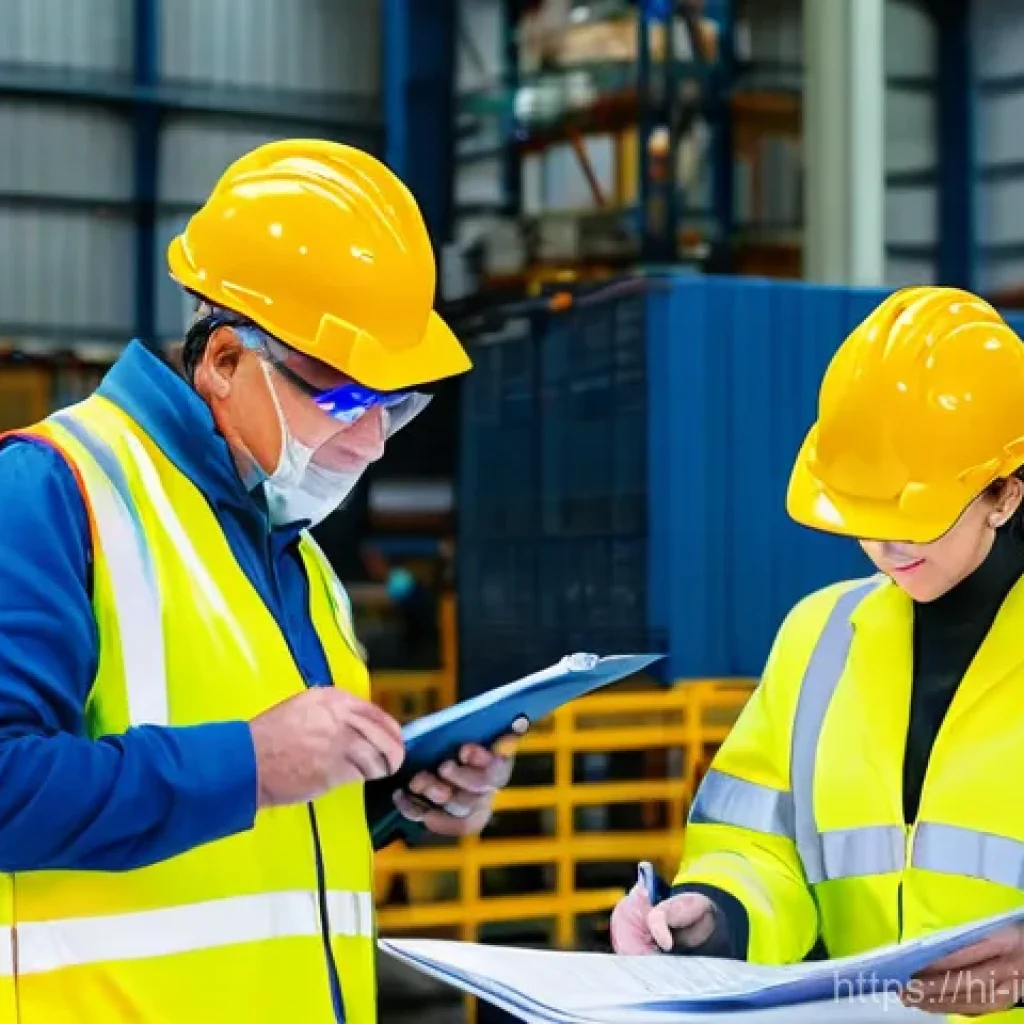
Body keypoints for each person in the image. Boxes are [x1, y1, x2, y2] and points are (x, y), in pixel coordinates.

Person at [0, 140, 523, 1024]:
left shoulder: (300, 555)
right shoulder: (52, 491)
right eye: (345, 400)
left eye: (393, 405)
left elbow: (270, 848)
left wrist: (398, 803)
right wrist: (247, 763)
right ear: (225, 361)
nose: (373, 442)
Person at [610, 286, 1024, 1019]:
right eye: (864, 511)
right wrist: (716, 914)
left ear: (1005, 495)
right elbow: (759, 846)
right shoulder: (819, 637)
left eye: (914, 513)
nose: (885, 545)